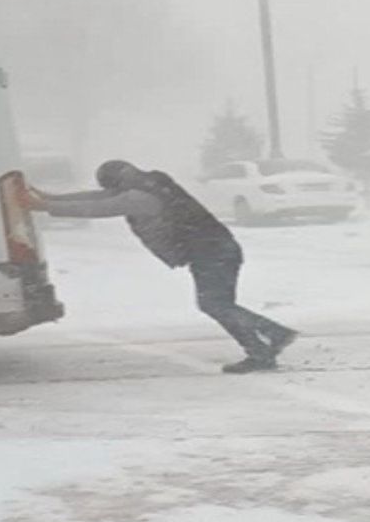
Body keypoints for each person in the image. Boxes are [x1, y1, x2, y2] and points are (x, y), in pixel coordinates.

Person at [20, 160, 298, 373]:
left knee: (214, 304)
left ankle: (271, 338)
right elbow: (97, 197)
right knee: (217, 303)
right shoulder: (149, 185)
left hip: (211, 251)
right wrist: (47, 198)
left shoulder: (139, 197)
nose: (112, 191)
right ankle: (263, 348)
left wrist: (43, 205)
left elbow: (98, 207)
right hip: (214, 249)